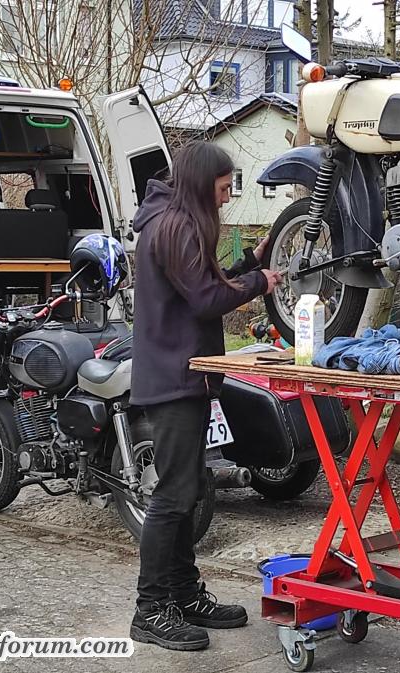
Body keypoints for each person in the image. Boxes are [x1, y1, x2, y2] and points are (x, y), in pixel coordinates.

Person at [128, 141, 282, 651]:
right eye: (222, 189)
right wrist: (259, 282)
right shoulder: (172, 227)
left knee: (188, 488)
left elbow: (203, 283)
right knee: (172, 497)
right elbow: (204, 301)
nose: (225, 199)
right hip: (173, 379)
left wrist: (246, 265)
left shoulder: (174, 222)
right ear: (201, 184)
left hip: (187, 376)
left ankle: (183, 594)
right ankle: (150, 610)